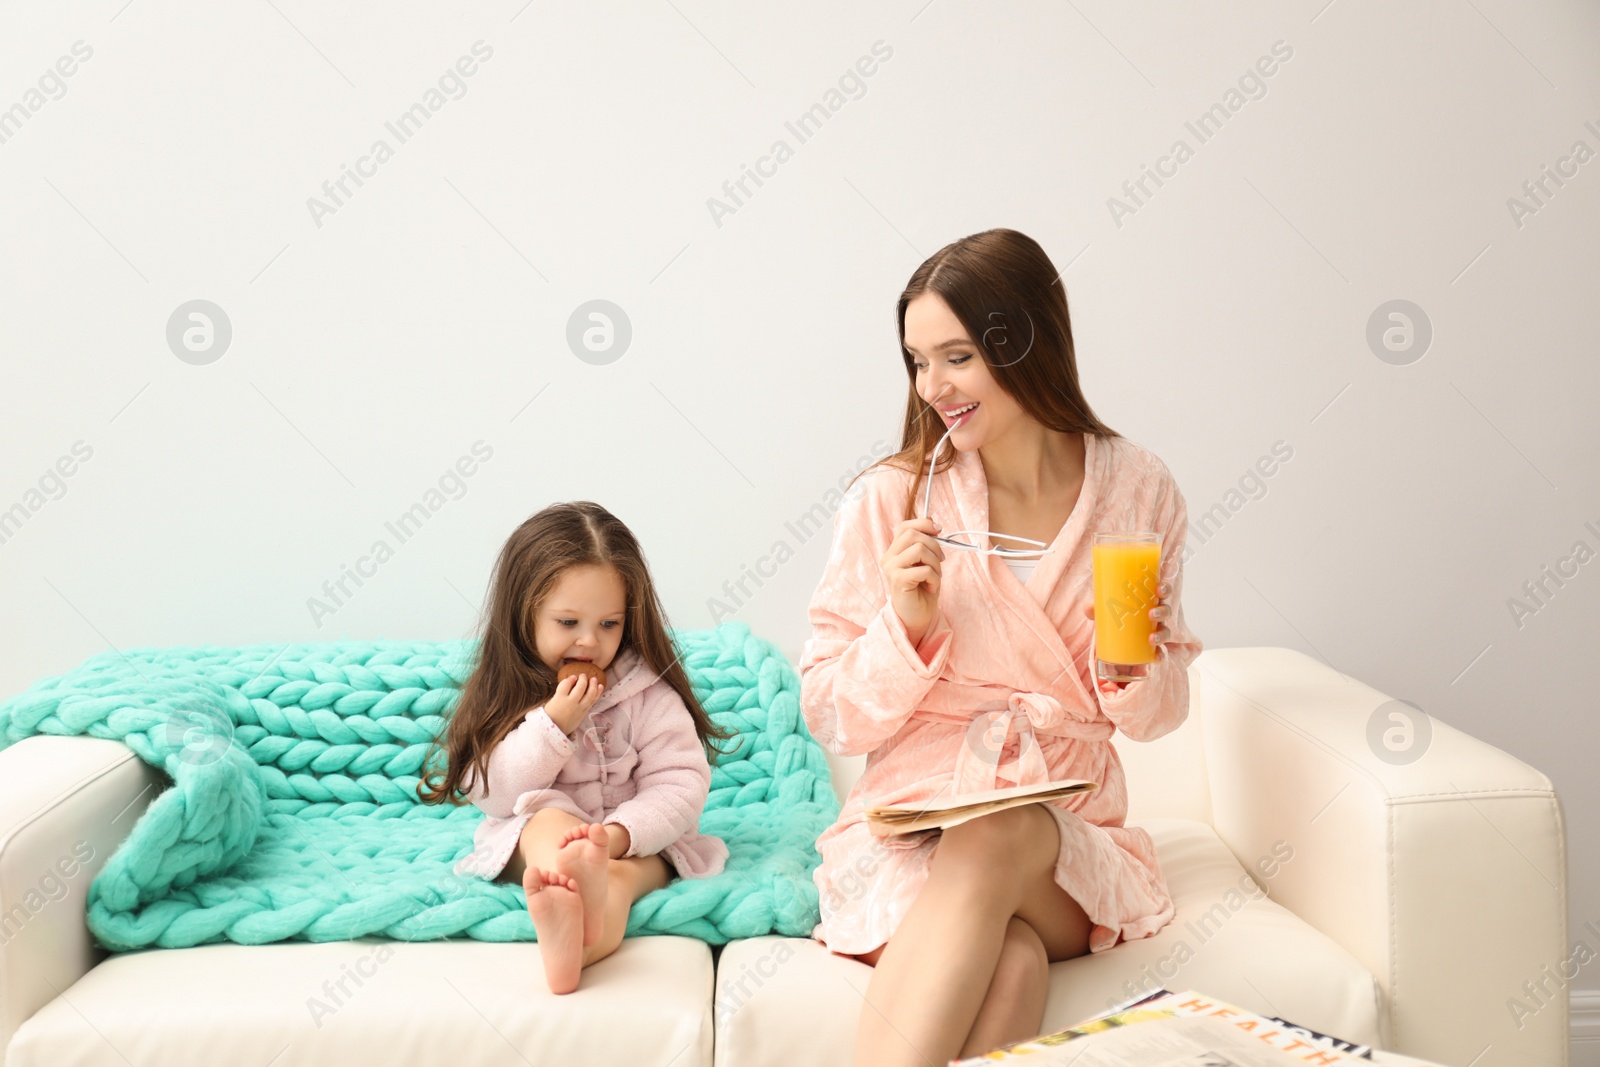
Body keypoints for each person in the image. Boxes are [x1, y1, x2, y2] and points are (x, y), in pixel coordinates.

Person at [799, 228, 1203, 1065]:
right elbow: (831, 714)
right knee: (1012, 964)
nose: (933, 386)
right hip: (911, 833)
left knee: (1000, 830)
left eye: (957, 356)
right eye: (917, 361)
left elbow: (1162, 715)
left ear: (1026, 343)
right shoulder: (894, 498)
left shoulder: (1138, 490)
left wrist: (1132, 671)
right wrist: (903, 628)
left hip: (1066, 833)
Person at [418, 501, 737, 994]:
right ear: (524, 614)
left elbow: (680, 784)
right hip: (546, 837)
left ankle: (574, 947)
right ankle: (566, 884)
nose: (590, 641)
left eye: (609, 624)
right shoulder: (507, 689)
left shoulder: (649, 694)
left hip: (633, 846)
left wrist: (615, 837)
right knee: (546, 823)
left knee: (625, 877)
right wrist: (553, 724)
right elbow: (494, 795)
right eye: (568, 623)